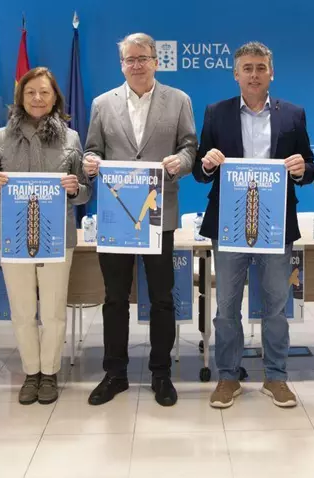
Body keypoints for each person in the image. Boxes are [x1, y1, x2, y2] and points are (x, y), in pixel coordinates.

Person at [193, 42, 314, 409]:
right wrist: (207, 163)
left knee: (276, 307)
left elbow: (310, 167)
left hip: (277, 225)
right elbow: (200, 170)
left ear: (271, 72)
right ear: (236, 74)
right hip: (229, 225)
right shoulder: (216, 113)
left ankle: (276, 377)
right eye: (247, 68)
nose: (254, 74)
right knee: (227, 308)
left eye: (261, 67)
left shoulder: (293, 114)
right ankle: (228, 376)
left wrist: (301, 170)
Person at [82, 32, 197, 407]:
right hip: (116, 216)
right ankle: (115, 374)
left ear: (156, 61)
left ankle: (161, 373)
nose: (136, 65)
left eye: (143, 58)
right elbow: (92, 150)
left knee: (162, 298)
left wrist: (180, 162)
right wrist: (90, 163)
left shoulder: (179, 100)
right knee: (115, 298)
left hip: (159, 215)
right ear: (121, 65)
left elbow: (189, 147)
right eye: (129, 59)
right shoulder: (102, 103)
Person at [0, 67, 91, 405]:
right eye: (30, 92)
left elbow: (86, 191)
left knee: (54, 310)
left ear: (55, 97)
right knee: (23, 310)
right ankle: (31, 372)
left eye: (44, 92)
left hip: (57, 238)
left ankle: (50, 372)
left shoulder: (71, 138)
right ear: (20, 97)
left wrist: (75, 189)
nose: (38, 98)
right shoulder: (1, 138)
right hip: (13, 237)